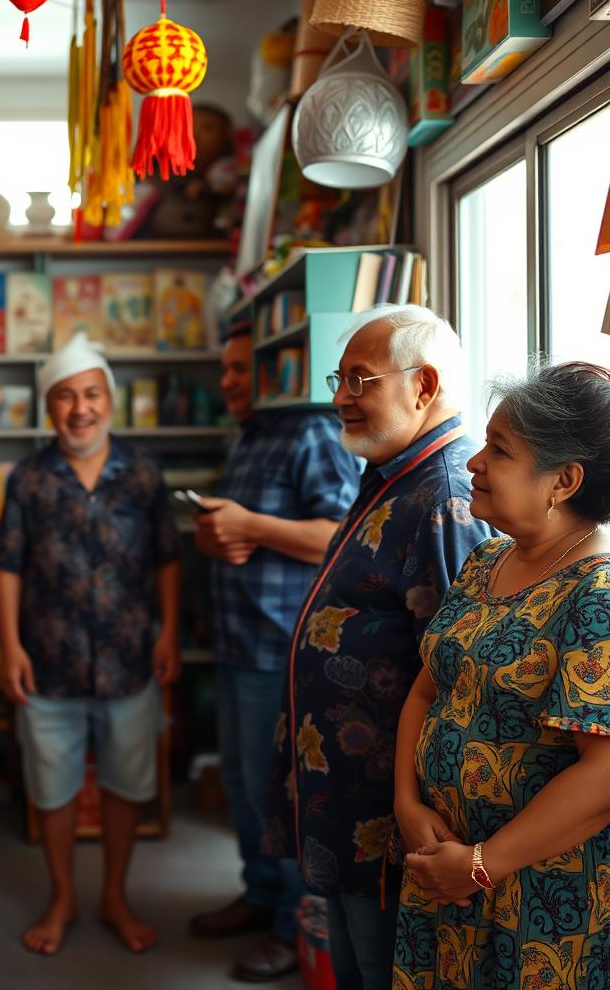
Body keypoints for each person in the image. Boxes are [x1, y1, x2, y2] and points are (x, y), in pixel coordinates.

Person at [263, 305, 492, 990]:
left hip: (389, 822)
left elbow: (455, 677)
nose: (340, 397)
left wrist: (418, 811)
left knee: (383, 974)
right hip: (348, 807)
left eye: (360, 380)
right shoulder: (394, 473)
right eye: (342, 378)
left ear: (422, 385)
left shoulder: (443, 496)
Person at [393, 362, 610, 989]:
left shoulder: (595, 593)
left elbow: (602, 774)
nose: (473, 463)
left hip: (538, 892)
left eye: (500, 450)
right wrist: (408, 805)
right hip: (444, 867)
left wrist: (483, 865)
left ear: (563, 481)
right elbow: (427, 688)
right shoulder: (488, 558)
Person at [0, 332, 181, 956]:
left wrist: (171, 631)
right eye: (66, 397)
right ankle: (63, 895)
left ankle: (116, 895)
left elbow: (166, 558)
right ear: (49, 407)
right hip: (49, 663)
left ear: (110, 399)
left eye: (92, 394)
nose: (81, 409)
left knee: (128, 784)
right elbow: (8, 565)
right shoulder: (28, 477)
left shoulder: (143, 472)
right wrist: (10, 646)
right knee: (54, 789)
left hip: (130, 662)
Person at [188, 321, 360, 982]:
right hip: (239, 642)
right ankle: (262, 896)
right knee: (243, 786)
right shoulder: (254, 436)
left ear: (275, 371)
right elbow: (241, 532)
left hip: (283, 644)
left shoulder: (312, 432)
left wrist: (248, 525)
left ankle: (295, 922)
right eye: (225, 370)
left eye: (239, 370)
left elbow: (337, 536)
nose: (227, 381)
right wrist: (216, 536)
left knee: (281, 798)